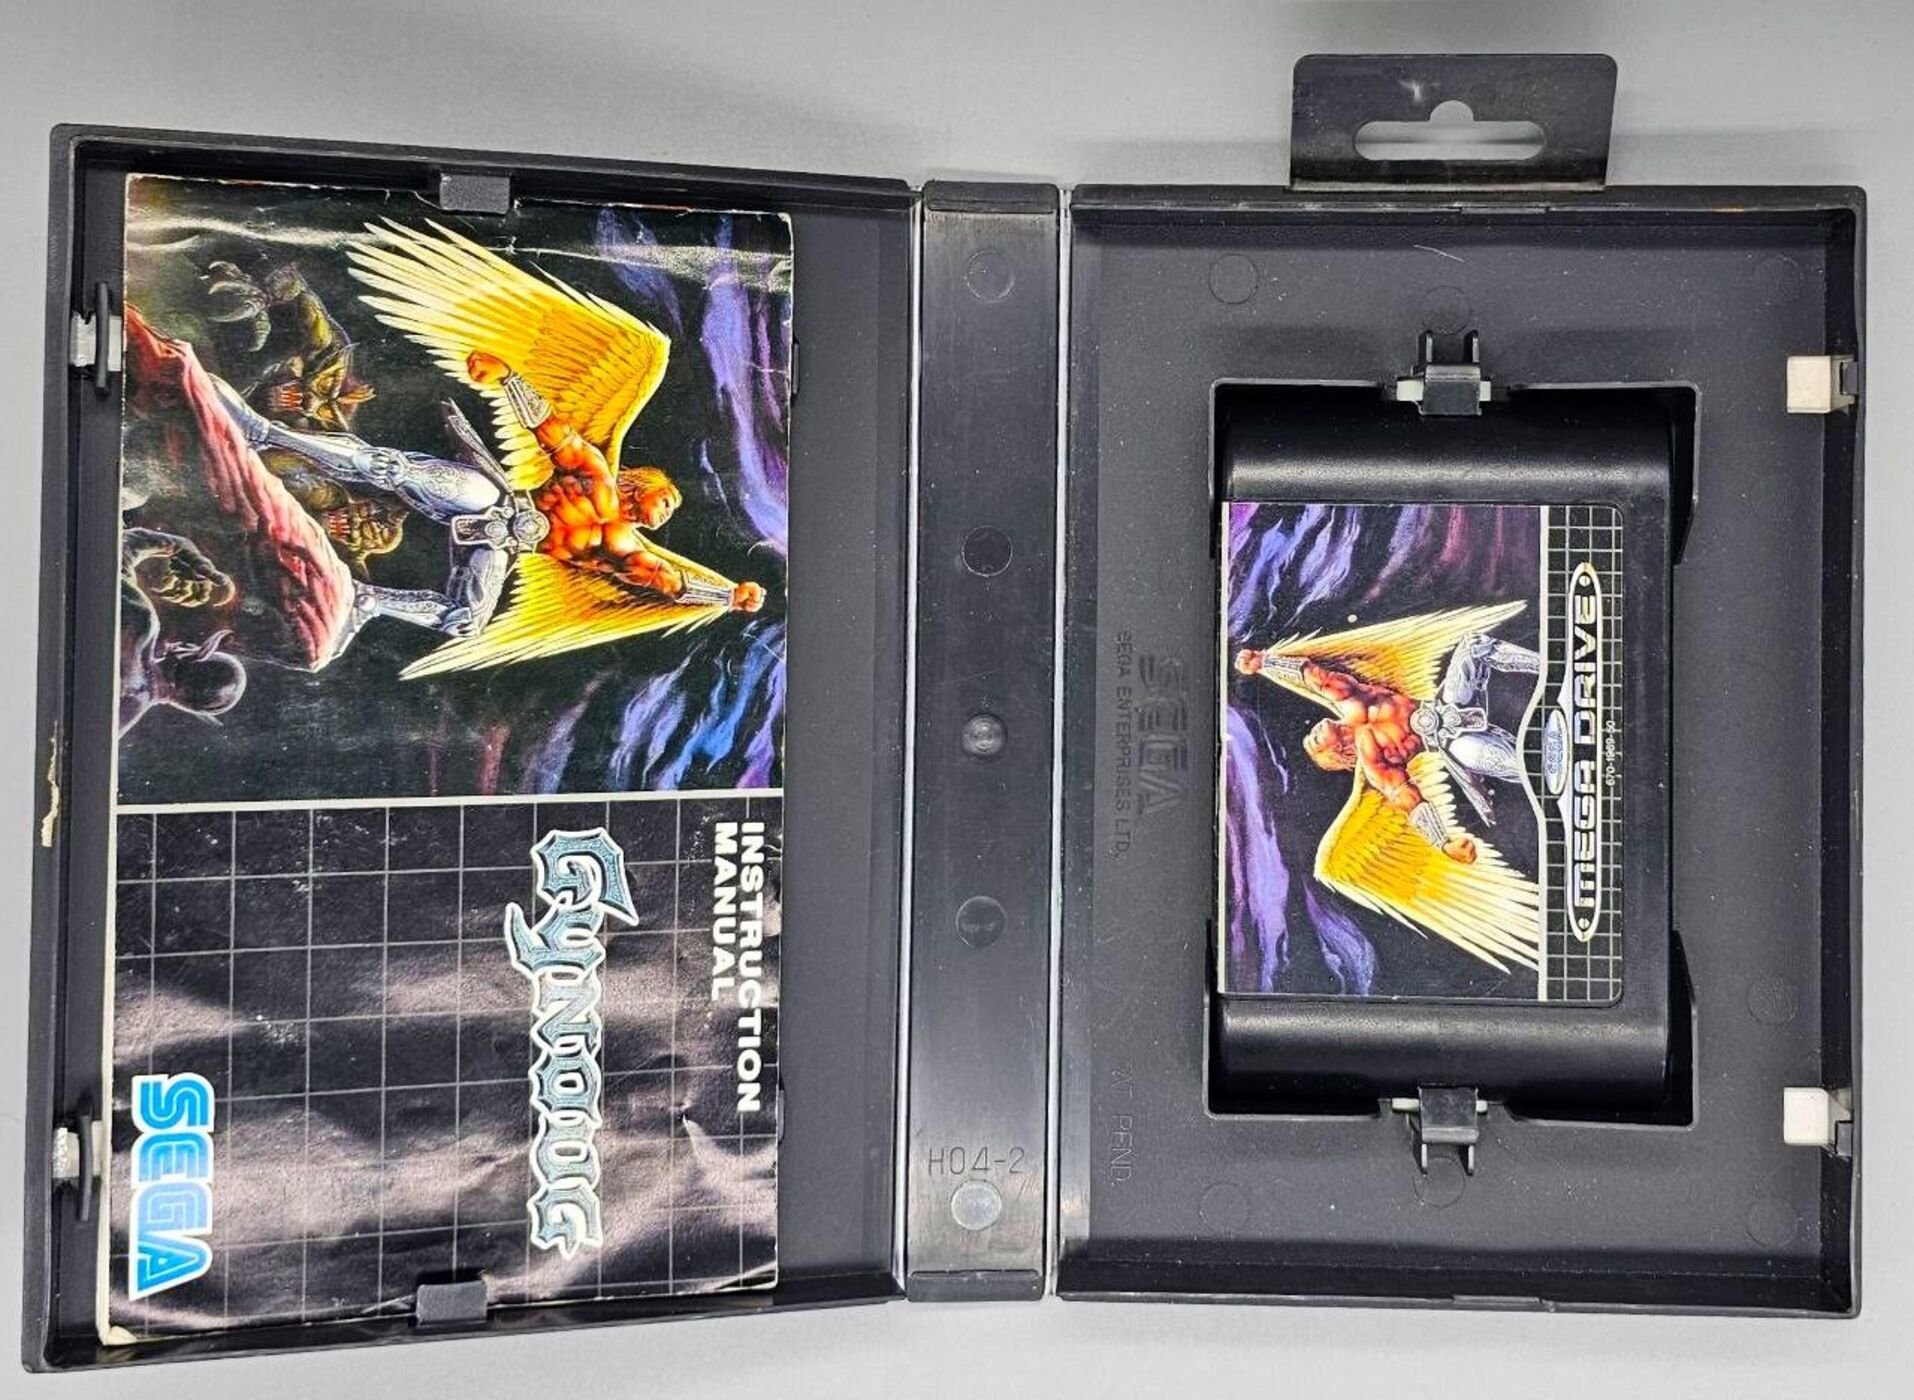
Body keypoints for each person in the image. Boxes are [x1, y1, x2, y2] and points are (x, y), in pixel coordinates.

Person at [119, 527, 247, 734]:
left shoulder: (141, 622)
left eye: (190, 645)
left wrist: (177, 546)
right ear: (183, 704)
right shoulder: (122, 718)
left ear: (194, 654)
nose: (174, 642)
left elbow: (111, 552)